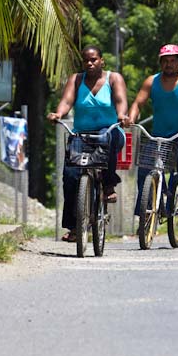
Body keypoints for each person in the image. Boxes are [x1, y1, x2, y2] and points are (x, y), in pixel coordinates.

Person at [47, 46, 128, 242]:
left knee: (105, 139)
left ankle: (108, 184)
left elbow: (120, 100)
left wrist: (121, 115)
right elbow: (67, 101)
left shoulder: (113, 78)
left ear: (102, 61)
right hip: (82, 135)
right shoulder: (76, 79)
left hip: (109, 130)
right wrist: (59, 113)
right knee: (70, 175)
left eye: (93, 59)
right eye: (86, 61)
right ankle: (74, 227)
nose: (90, 63)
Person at [125, 44, 178, 215]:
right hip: (159, 135)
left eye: (172, 61)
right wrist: (130, 119)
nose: (169, 64)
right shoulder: (151, 81)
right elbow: (138, 103)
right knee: (145, 165)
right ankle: (145, 210)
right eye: (165, 61)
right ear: (160, 63)